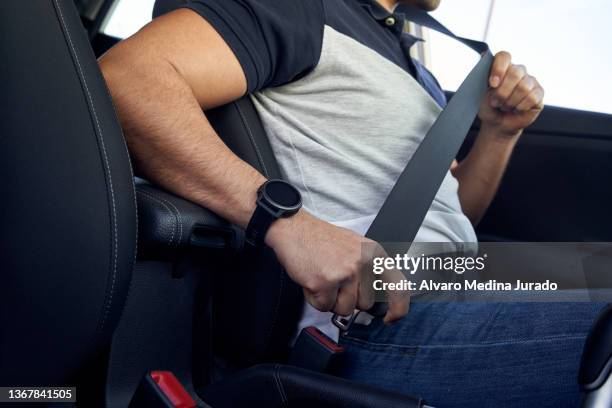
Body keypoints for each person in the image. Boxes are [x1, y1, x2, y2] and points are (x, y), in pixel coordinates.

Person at [99, 0, 603, 406]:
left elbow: (453, 220)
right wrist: (290, 225)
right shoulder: (301, 10)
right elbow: (128, 78)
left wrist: (498, 134)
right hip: (375, 319)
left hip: (462, 280)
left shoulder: (415, 68)